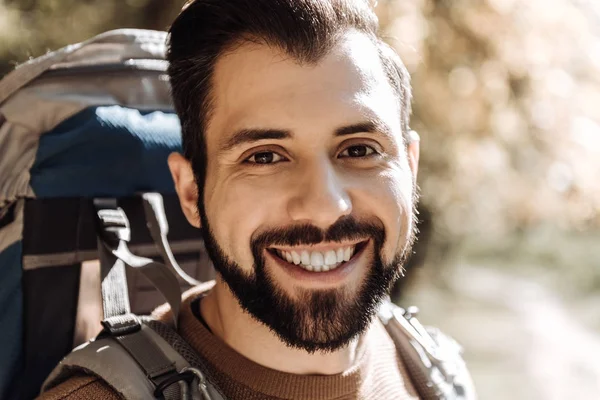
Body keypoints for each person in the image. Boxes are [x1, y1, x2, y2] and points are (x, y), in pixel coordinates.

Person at [39, 0, 474, 399]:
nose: (325, 206)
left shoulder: (437, 371)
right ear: (191, 192)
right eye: (264, 156)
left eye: (359, 150)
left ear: (410, 169)